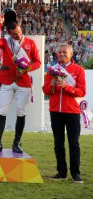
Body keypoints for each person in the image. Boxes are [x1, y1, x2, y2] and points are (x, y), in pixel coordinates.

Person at [0, 15, 41, 153]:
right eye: (14, 34)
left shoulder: (30, 43)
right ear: (9, 33)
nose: (18, 35)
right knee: (2, 111)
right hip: (6, 81)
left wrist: (26, 69)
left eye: (19, 32)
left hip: (23, 82)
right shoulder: (5, 42)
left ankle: (16, 143)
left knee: (21, 112)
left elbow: (37, 62)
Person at [42, 44, 85, 183]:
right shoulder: (52, 70)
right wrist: (53, 85)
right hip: (55, 111)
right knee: (58, 143)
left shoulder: (78, 70)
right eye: (59, 52)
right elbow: (45, 90)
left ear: (71, 54)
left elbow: (81, 92)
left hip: (72, 111)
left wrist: (66, 87)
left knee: (74, 143)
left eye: (64, 52)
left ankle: (76, 174)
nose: (61, 54)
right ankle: (61, 172)